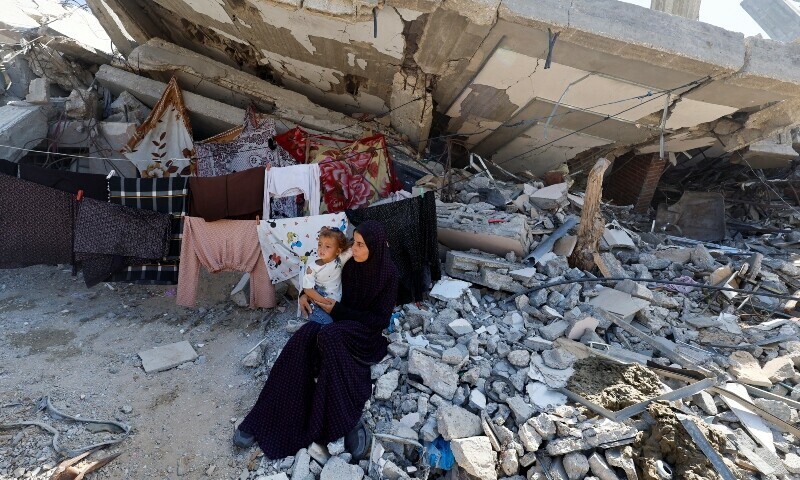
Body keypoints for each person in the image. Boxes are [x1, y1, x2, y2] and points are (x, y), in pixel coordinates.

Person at [234, 220, 398, 460]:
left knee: (329, 339)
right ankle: (263, 414)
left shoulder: (389, 274)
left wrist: (337, 311)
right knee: (301, 340)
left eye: (361, 245)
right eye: (355, 242)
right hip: (338, 319)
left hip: (365, 332)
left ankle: (350, 419)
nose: (355, 248)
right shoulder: (350, 264)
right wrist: (303, 294)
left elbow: (380, 320)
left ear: (375, 247)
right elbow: (323, 279)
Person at [302, 227, 352, 325]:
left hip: (335, 304)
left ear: (338, 251)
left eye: (327, 246)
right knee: (328, 324)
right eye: (320, 245)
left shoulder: (339, 260)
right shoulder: (312, 268)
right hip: (318, 304)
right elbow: (307, 289)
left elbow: (353, 248)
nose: (321, 249)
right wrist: (324, 302)